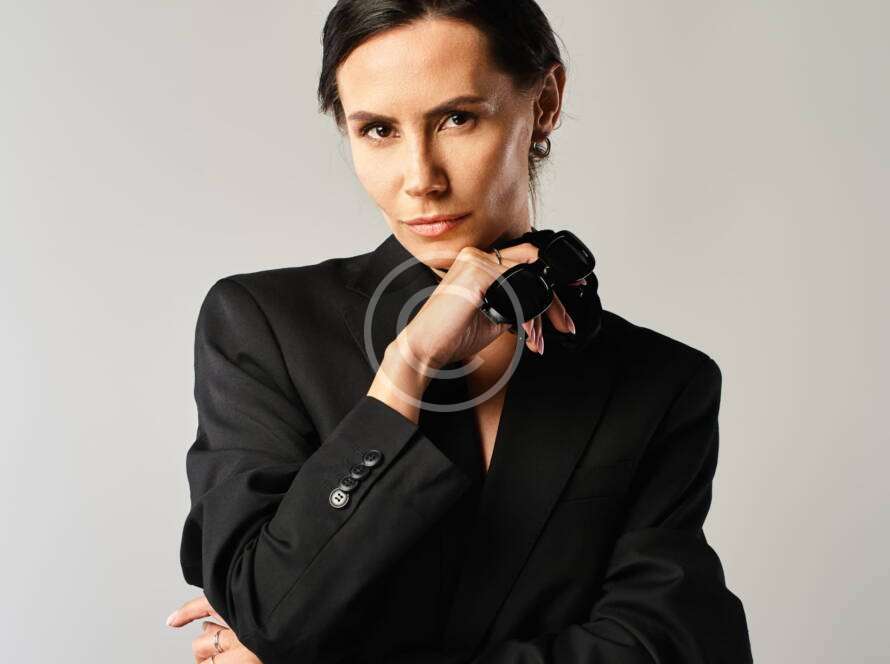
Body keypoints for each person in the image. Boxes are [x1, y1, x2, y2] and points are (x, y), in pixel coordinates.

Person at [166, 1, 753, 663]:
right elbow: (271, 607)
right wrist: (407, 368)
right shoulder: (263, 326)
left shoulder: (660, 382)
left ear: (546, 101)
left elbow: (671, 649)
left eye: (457, 119)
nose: (421, 179)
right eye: (379, 130)